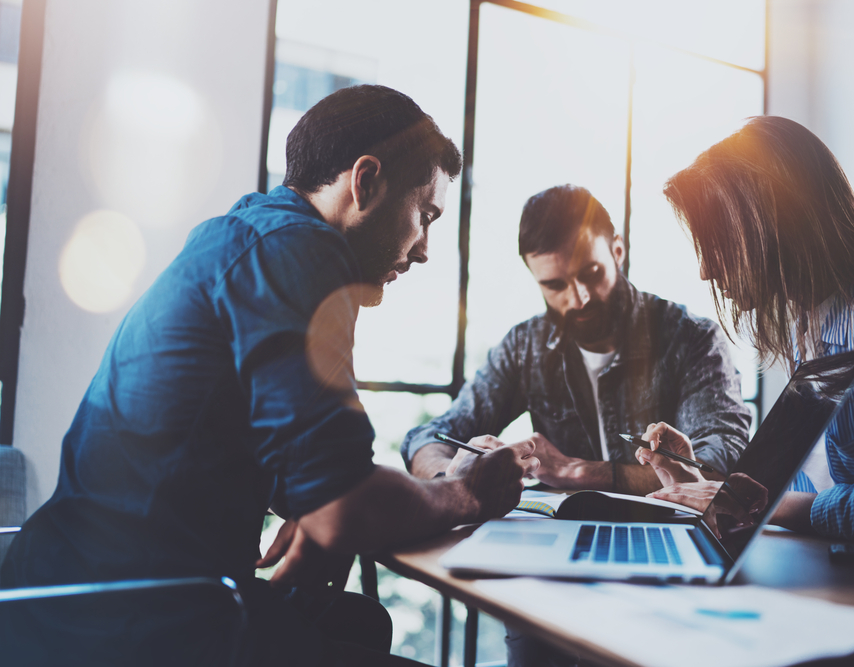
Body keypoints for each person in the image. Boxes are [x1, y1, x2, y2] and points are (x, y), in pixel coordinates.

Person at [0, 84, 539, 667]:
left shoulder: (251, 232)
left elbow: (309, 485)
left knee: (362, 620)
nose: (424, 249)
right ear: (366, 182)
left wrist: (325, 503)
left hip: (79, 592)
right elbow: (340, 506)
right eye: (425, 215)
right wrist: (465, 494)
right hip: (130, 623)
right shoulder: (300, 252)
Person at [401, 184, 751, 667]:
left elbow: (718, 466)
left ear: (618, 251)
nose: (579, 297)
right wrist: (455, 482)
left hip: (664, 568)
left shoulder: (689, 337)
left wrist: (588, 474)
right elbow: (430, 437)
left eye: (591, 274)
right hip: (549, 577)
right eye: (555, 286)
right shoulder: (524, 346)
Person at [639, 115, 854, 542]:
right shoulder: (806, 325)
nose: (706, 269)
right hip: (838, 578)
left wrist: (767, 506)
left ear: (773, 221)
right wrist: (699, 483)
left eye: (717, 243)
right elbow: (811, 492)